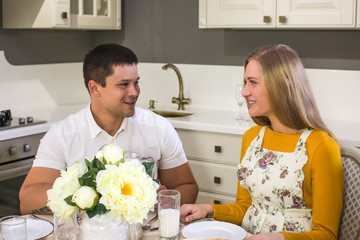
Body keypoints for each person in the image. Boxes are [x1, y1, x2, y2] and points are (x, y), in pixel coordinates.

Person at [180, 44, 343, 240]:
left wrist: (277, 238)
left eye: (253, 82)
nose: (244, 92)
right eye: (245, 82)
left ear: (281, 84)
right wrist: (207, 209)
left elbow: (326, 234)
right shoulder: (252, 138)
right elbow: (245, 208)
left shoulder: (321, 146)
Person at [19, 43, 198, 215]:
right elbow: (27, 201)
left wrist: (166, 201)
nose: (134, 91)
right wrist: (90, 196)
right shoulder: (62, 135)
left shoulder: (158, 128)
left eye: (136, 82)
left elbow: (187, 186)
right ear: (95, 88)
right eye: (123, 84)